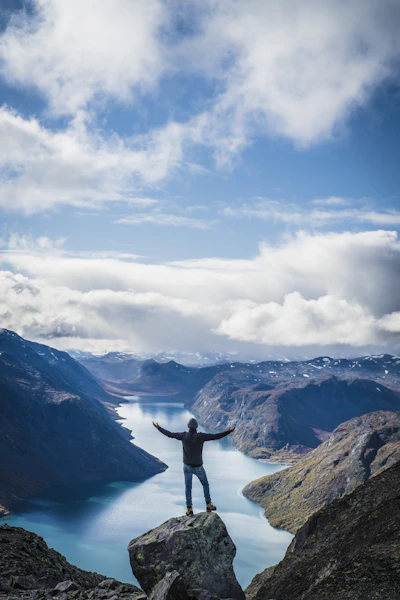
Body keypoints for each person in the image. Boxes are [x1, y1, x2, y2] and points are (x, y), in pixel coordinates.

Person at [153, 418, 235, 516]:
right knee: (205, 484)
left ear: (188, 426)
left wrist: (158, 428)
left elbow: (169, 434)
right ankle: (208, 504)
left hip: (186, 466)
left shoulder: (183, 435)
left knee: (188, 487)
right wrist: (228, 432)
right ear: (196, 427)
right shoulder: (201, 436)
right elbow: (215, 436)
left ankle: (189, 509)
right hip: (198, 466)